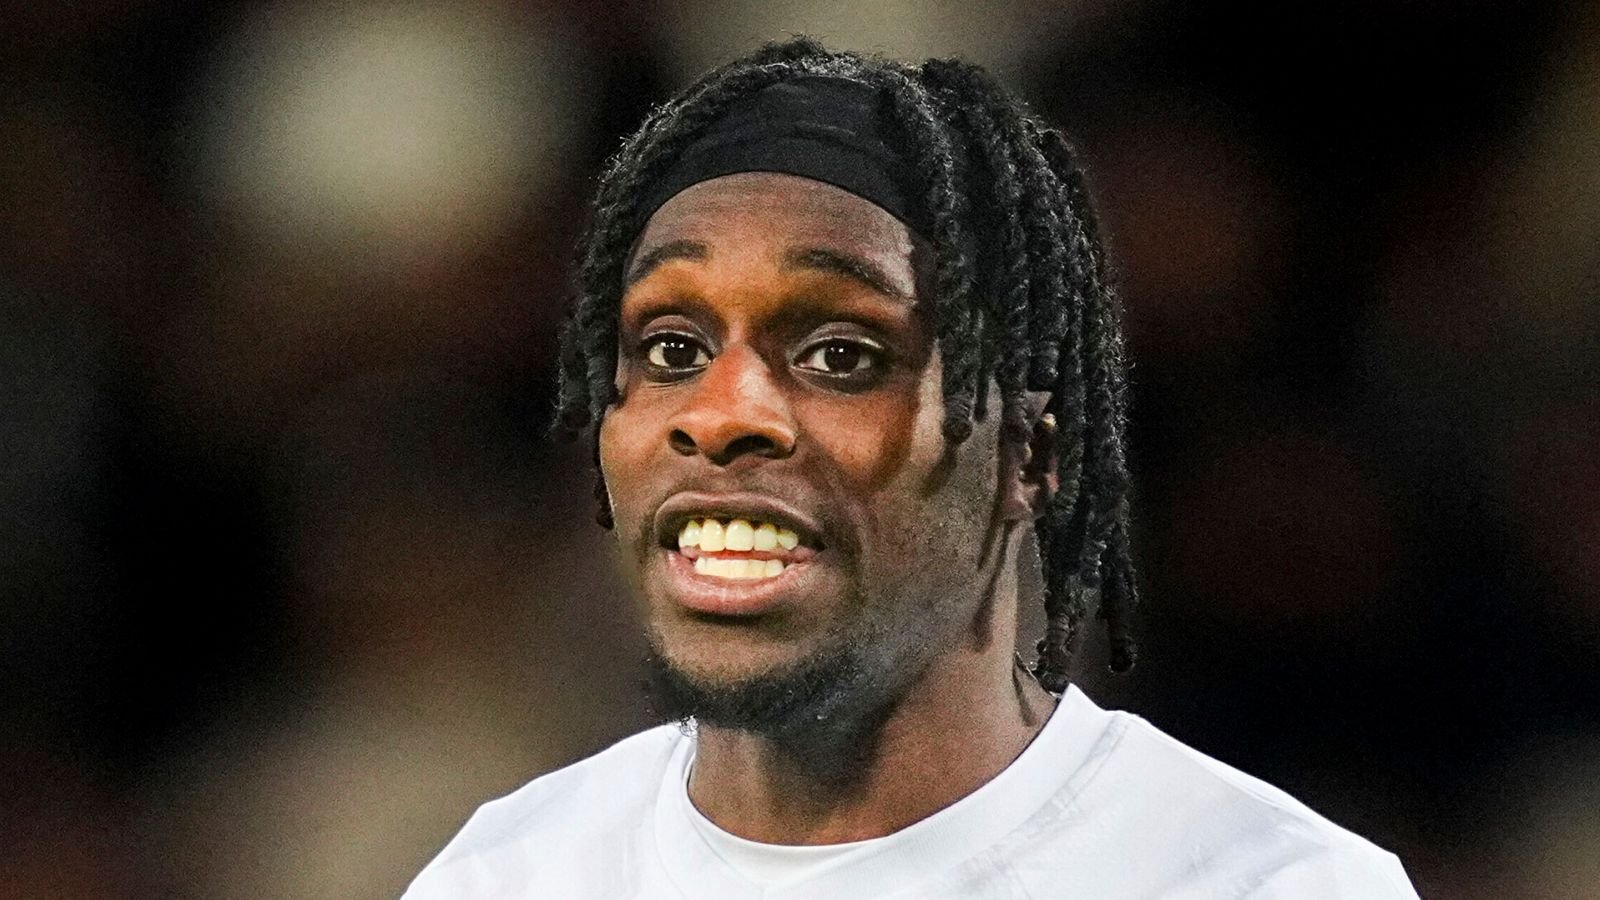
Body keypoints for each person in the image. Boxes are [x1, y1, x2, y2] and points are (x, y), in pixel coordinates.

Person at [405, 38, 1418, 899]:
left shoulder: (1263, 884)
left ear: (1028, 455)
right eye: (672, 348)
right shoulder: (505, 876)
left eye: (840, 355)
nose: (720, 416)